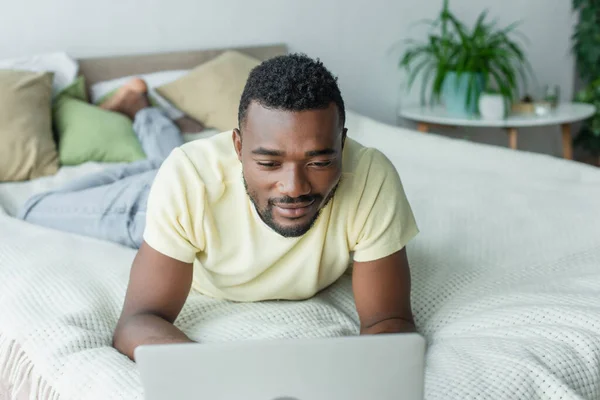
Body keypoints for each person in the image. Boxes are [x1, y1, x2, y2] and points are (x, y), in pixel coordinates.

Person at [20, 53, 420, 361]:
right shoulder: (188, 180)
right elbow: (139, 322)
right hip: (149, 203)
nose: (294, 188)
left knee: (171, 162)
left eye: (318, 161)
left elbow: (389, 322)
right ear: (238, 148)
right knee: (33, 208)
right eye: (268, 163)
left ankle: (140, 108)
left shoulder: (371, 176)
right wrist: (215, 377)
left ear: (343, 144)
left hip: (187, 175)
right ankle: (142, 152)